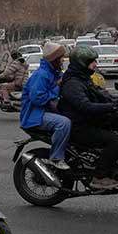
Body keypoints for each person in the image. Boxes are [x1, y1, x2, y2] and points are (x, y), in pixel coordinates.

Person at [60, 47, 118, 191]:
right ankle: (99, 177)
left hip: (91, 121)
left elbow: (102, 95)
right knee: (114, 140)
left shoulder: (83, 79)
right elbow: (86, 106)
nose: (95, 64)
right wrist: (113, 107)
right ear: (82, 63)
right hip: (79, 127)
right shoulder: (73, 84)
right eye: (92, 62)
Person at [19, 41, 72, 171]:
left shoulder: (53, 72)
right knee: (64, 123)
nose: (62, 61)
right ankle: (56, 158)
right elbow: (37, 98)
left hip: (44, 112)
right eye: (60, 59)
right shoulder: (42, 75)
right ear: (54, 59)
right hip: (34, 115)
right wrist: (57, 88)